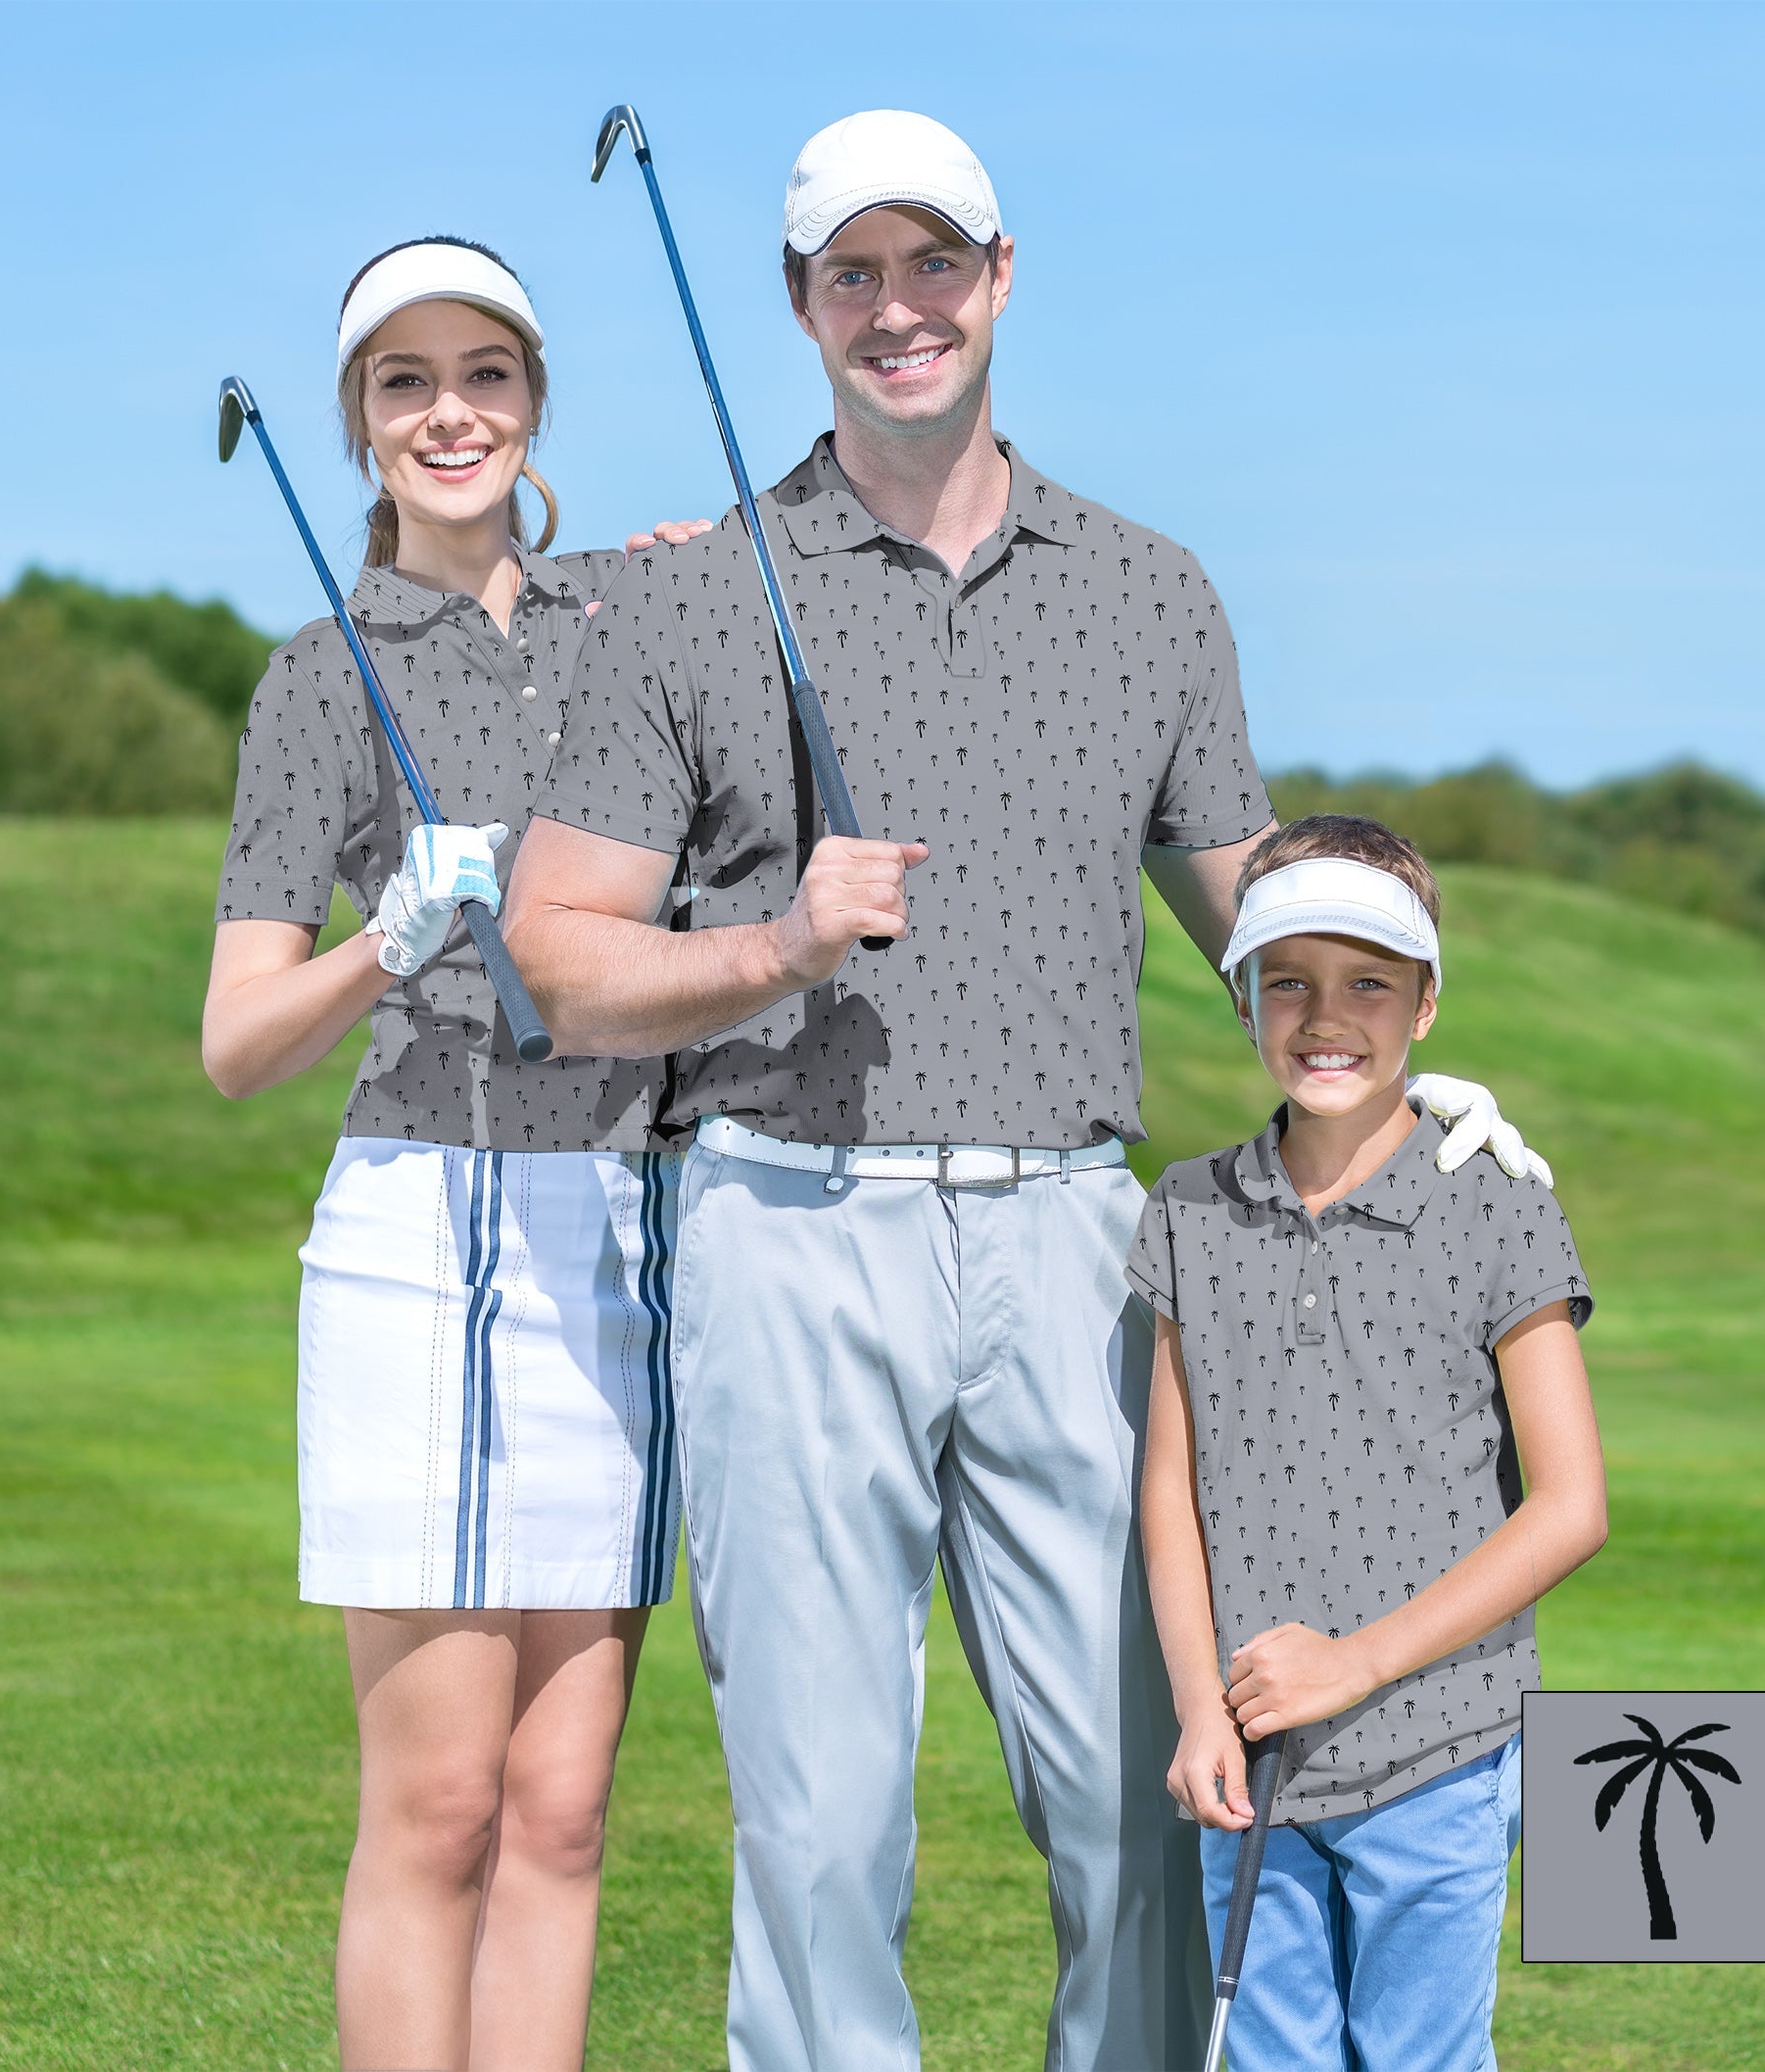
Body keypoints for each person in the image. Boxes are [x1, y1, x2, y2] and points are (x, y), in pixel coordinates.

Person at [503, 114, 1538, 2071]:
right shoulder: (692, 593)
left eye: (933, 264)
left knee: (1152, 1791)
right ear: (799, 305)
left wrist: (1414, 1052)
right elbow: (557, 950)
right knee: (821, 1824)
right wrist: (765, 950)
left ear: (999, 275)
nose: (898, 309)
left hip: (1079, 1245)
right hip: (783, 1223)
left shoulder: (1150, 593)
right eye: (851, 274)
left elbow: (1258, 915)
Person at [202, 236, 707, 2072]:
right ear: (358, 423)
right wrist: (386, 939)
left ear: (534, 402)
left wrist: (694, 575)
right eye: (404, 381)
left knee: (563, 1809)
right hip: (420, 1226)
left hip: (614, 1232)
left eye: (483, 374)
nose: (449, 413)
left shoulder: (638, 629)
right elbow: (237, 1041)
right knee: (439, 1810)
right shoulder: (313, 678)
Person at [1130, 814, 1608, 2072]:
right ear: (1241, 997)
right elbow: (1169, 1492)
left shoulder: (1498, 1203)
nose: (1324, 1015)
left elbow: (1570, 1507)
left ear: (1425, 1006)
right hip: (1250, 1760)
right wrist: (1197, 1709)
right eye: (1286, 979)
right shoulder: (1188, 1209)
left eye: (1368, 984)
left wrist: (1355, 1665)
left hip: (1441, 1748)